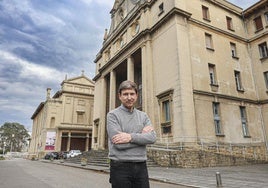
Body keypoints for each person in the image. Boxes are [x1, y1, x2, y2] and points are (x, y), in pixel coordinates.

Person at [107, 80, 157, 188]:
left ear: (137, 95)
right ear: (119, 96)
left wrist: (129, 137)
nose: (129, 97)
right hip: (120, 167)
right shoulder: (112, 115)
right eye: (125, 94)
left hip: (141, 166)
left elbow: (152, 138)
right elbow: (118, 144)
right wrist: (141, 137)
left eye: (132, 94)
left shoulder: (143, 116)